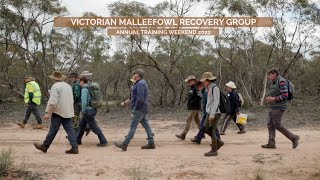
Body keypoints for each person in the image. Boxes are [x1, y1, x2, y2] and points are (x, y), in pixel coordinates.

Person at [33, 71, 79, 154]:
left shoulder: (55, 86)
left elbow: (53, 101)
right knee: (70, 130)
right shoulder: (68, 86)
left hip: (58, 111)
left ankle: (45, 146)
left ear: (54, 78)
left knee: (53, 130)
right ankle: (75, 147)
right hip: (67, 111)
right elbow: (71, 99)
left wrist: (48, 113)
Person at [114, 69, 155, 151]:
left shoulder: (140, 84)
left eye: (135, 73)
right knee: (146, 125)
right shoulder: (140, 83)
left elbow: (139, 99)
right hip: (142, 108)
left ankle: (124, 144)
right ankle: (151, 143)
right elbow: (134, 97)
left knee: (133, 126)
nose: (133, 75)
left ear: (138, 75)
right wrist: (126, 103)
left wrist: (135, 109)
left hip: (139, 108)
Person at [262, 69, 299, 149]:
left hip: (279, 107)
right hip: (272, 106)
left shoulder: (281, 81)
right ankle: (271, 143)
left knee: (277, 124)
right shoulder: (273, 83)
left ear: (274, 74)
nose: (268, 77)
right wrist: (269, 99)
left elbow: (285, 95)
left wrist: (273, 99)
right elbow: (275, 94)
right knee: (270, 124)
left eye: (270, 75)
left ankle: (294, 138)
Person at [76, 74, 108, 147]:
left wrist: (83, 110)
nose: (79, 83)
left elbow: (84, 102)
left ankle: (103, 141)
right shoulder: (89, 87)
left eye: (79, 81)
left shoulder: (84, 89)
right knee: (81, 125)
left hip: (87, 110)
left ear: (82, 81)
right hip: (92, 109)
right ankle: (77, 140)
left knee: (94, 127)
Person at [191, 81, 224, 150]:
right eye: (198, 86)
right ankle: (217, 141)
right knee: (210, 128)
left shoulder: (212, 89)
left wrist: (211, 113)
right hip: (208, 112)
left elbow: (215, 102)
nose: (198, 87)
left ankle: (214, 144)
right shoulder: (206, 90)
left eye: (200, 85)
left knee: (208, 128)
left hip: (211, 113)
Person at [201, 72, 221, 157]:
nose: (203, 82)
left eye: (204, 80)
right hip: (209, 112)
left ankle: (214, 150)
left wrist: (212, 114)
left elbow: (216, 102)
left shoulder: (215, 88)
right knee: (205, 129)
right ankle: (218, 142)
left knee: (211, 130)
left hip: (215, 113)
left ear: (208, 80)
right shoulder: (208, 88)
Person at [175, 75, 201, 140]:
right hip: (193, 107)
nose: (188, 83)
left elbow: (199, 97)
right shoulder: (192, 88)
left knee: (188, 119)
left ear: (193, 81)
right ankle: (202, 133)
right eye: (188, 82)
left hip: (195, 107)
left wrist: (192, 102)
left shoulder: (196, 88)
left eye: (189, 81)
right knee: (197, 120)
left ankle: (183, 134)